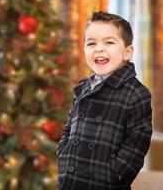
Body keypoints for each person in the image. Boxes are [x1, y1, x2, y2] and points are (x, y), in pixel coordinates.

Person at [56, 11, 152, 190]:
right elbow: (70, 126)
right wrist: (63, 152)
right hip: (72, 177)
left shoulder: (136, 93)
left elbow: (138, 140)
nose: (98, 49)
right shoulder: (83, 87)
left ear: (127, 52)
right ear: (84, 50)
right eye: (91, 43)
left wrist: (118, 171)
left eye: (109, 42)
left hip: (105, 181)